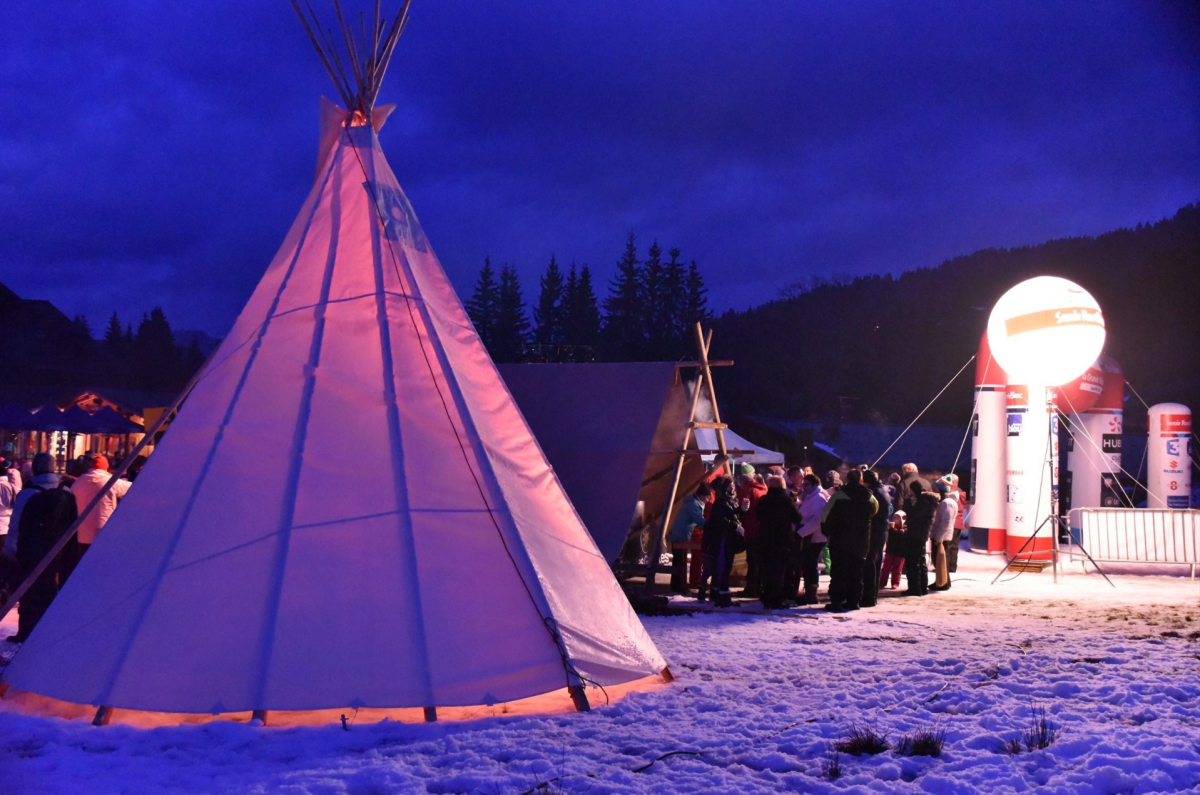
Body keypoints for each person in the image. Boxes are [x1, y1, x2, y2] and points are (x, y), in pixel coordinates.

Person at [6, 453, 78, 642]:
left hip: (30, 551)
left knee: (29, 592)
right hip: (58, 551)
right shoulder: (66, 492)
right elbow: (73, 524)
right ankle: (48, 631)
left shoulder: (29, 493)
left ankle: (26, 631)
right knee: (51, 590)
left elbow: (16, 525)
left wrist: (10, 550)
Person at [821, 469, 878, 612]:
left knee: (839, 571)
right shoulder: (869, 496)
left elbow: (825, 515)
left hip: (840, 539)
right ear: (860, 480)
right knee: (857, 571)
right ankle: (854, 601)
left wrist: (827, 531)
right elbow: (875, 510)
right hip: (861, 540)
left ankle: (837, 601)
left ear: (847, 479)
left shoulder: (839, 495)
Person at [69, 454, 131, 566]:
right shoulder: (110, 481)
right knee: (103, 564)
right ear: (106, 467)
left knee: (84, 564)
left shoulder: (78, 483)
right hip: (104, 530)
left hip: (83, 533)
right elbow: (131, 489)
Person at [755, 474, 802, 609]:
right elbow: (797, 518)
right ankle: (776, 599)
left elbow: (758, 515)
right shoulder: (786, 500)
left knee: (767, 569)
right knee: (779, 570)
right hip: (782, 539)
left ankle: (766, 596)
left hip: (765, 538)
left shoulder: (764, 499)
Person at [701, 477, 743, 607]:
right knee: (723, 565)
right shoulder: (721, 501)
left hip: (728, 537)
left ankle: (720, 593)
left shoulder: (729, 500)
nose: (733, 488)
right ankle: (722, 595)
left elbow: (732, 516)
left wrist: (743, 511)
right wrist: (735, 526)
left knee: (725, 566)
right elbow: (720, 521)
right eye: (730, 485)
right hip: (722, 538)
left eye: (733, 485)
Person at [667, 481, 709, 593]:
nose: (708, 499)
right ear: (702, 496)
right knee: (679, 560)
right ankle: (678, 587)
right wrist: (712, 526)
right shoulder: (693, 505)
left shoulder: (693, 503)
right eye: (707, 497)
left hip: (680, 533)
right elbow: (700, 521)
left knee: (678, 560)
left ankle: (677, 586)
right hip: (680, 534)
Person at [795, 474, 830, 605]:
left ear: (814, 485)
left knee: (811, 565)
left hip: (814, 537)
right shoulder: (811, 496)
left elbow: (817, 519)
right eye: (803, 484)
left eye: (806, 484)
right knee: (808, 564)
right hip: (809, 536)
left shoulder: (819, 498)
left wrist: (801, 533)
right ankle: (809, 592)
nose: (803, 487)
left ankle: (811, 594)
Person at [860, 469, 892, 607]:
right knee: (876, 562)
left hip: (875, 530)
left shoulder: (874, 493)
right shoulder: (882, 490)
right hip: (882, 530)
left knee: (870, 563)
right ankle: (872, 595)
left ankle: (869, 596)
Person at [903, 480, 939, 597]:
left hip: (916, 534)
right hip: (922, 534)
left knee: (913, 562)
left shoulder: (924, 502)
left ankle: (915, 589)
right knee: (921, 561)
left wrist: (907, 501)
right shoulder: (928, 501)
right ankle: (923, 587)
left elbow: (912, 514)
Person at [736, 466, 767, 598]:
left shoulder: (746, 490)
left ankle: (751, 588)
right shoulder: (763, 489)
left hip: (751, 528)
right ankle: (759, 587)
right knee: (759, 559)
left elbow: (744, 511)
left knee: (752, 560)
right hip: (762, 528)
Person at [930, 480, 959, 591]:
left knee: (940, 560)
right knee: (941, 560)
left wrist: (938, 537)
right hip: (942, 535)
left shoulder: (946, 503)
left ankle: (942, 583)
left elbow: (945, 522)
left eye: (936, 488)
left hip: (942, 536)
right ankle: (942, 581)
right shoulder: (948, 502)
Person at [880, 509, 906, 589]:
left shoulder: (904, 529)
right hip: (890, 550)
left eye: (897, 518)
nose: (895, 520)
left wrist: (892, 530)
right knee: (885, 568)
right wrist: (890, 529)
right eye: (894, 518)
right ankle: (882, 582)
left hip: (900, 552)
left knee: (897, 569)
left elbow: (900, 536)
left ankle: (895, 583)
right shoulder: (891, 528)